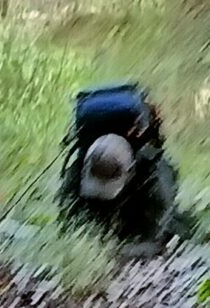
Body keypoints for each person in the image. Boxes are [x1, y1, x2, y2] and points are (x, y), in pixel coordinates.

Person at [59, 82, 182, 244]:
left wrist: (112, 253)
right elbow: (66, 228)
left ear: (130, 171)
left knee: (178, 228)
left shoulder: (155, 176)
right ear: (85, 169)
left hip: (140, 199)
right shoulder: (76, 175)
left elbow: (155, 239)